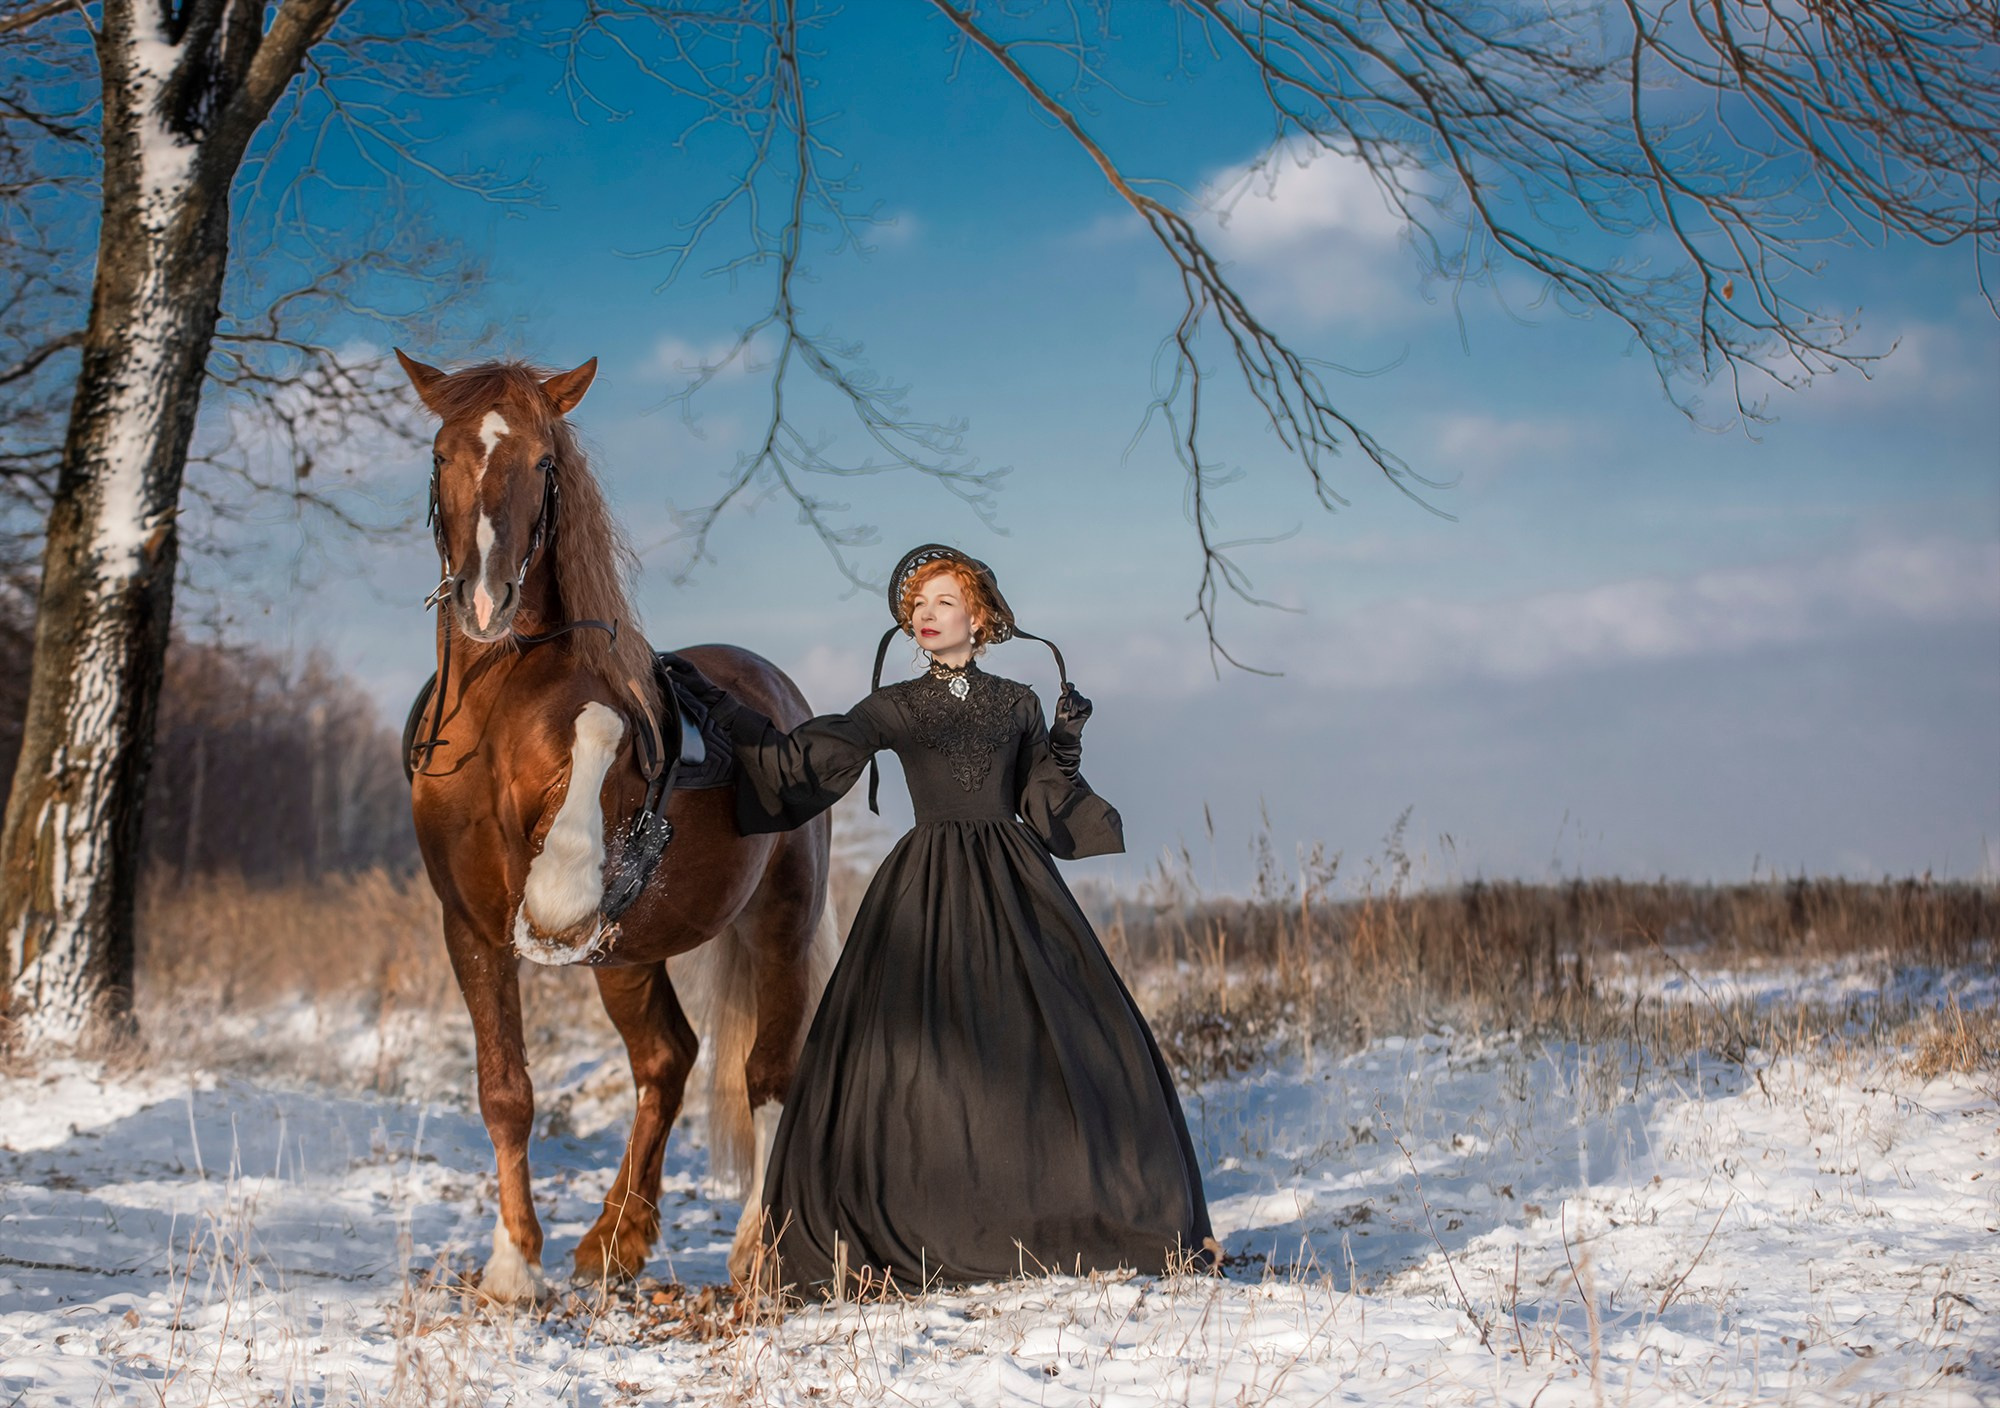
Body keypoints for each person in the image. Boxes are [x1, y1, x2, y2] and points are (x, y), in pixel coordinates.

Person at [665, 544, 1217, 1296]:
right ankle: (927, 1219)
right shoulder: (894, 706)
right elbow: (802, 763)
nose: (925, 616)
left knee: (1059, 1045)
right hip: (921, 890)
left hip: (1016, 884)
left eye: (943, 602)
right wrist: (725, 710)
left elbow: (1044, 801)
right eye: (917, 607)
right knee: (909, 1063)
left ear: (979, 617)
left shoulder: (1019, 702)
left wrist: (1065, 743)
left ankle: (1068, 1212)